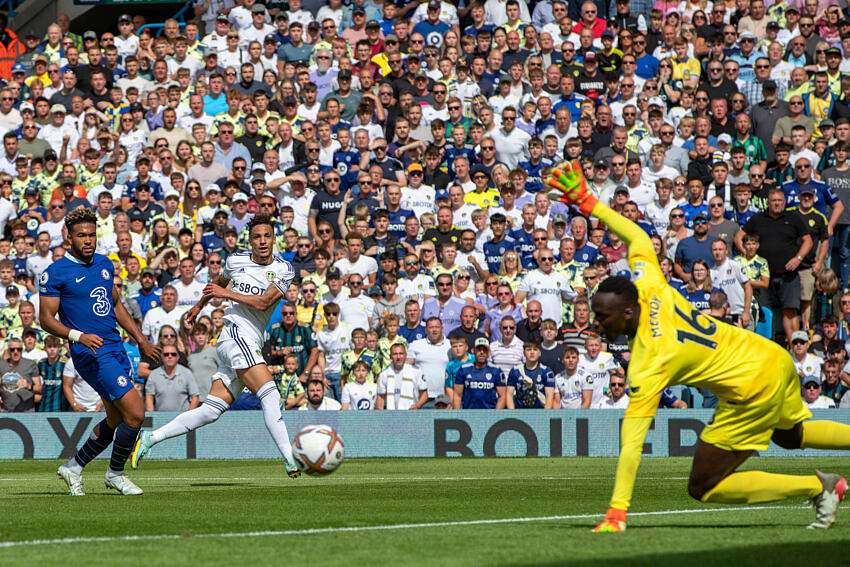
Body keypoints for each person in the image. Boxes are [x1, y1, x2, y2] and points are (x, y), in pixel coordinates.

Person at [548, 161, 850, 533]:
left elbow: (631, 444)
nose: (596, 323)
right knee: (790, 434)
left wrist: (617, 511)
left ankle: (820, 487)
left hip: (750, 388)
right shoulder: (650, 286)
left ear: (628, 312)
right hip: (770, 356)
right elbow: (637, 238)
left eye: (603, 316)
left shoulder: (648, 360)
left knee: (703, 485)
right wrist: (588, 202)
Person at [130, 215, 302, 479]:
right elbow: (218, 284)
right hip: (235, 335)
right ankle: (291, 460)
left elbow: (264, 302)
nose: (263, 241)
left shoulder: (284, 269)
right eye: (257, 237)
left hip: (251, 339)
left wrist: (226, 294)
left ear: (274, 238)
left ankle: (150, 438)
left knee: (211, 410)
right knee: (270, 395)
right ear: (251, 240)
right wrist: (198, 307)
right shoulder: (235, 261)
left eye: (267, 236)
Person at [39, 207, 160, 496]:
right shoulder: (55, 272)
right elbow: (45, 319)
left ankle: (74, 467)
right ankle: (115, 473)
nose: (88, 240)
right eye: (81, 235)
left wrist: (140, 339)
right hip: (91, 354)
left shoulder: (105, 264)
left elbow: (116, 304)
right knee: (135, 413)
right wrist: (79, 336)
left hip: (115, 348)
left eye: (92, 234)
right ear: (68, 237)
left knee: (116, 419)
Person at [452, 337, 507, 409]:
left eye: (484, 350)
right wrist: (458, 417)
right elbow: (457, 395)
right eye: (479, 350)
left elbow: (502, 396)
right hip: (468, 414)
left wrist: (495, 416)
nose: (482, 352)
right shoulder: (463, 370)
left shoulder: (496, 371)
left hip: (490, 414)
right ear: (473, 351)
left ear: (489, 352)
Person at [144, 344, 200, 411]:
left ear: (178, 357)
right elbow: (149, 397)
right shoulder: (154, 375)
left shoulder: (187, 373)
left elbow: (195, 397)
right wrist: (152, 417)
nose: (170, 356)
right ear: (162, 357)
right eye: (166, 354)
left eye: (173, 354)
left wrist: (188, 415)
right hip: (161, 419)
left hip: (183, 419)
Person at [376, 342, 427, 410]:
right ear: (390, 356)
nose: (398, 357)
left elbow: (424, 394)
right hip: (391, 415)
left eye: (401, 354)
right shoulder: (384, 374)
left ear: (405, 355)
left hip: (411, 413)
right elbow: (381, 397)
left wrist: (417, 405)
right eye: (395, 354)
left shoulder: (416, 372)